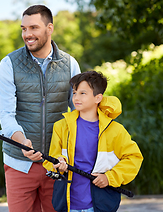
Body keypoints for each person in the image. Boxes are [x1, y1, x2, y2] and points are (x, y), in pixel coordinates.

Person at [0, 4, 81, 212]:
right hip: (19, 163)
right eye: (23, 29)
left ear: (49, 28)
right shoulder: (8, 64)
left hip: (57, 164)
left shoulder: (70, 65)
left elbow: (79, 114)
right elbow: (6, 114)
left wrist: (67, 154)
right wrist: (22, 143)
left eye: (33, 28)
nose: (27, 34)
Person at [43, 71, 143, 212]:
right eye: (75, 92)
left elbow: (134, 158)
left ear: (98, 98)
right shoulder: (61, 126)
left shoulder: (115, 130)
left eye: (83, 93)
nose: (76, 98)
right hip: (68, 204)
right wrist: (59, 163)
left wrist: (109, 177)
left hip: (100, 204)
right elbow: (52, 158)